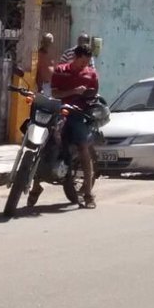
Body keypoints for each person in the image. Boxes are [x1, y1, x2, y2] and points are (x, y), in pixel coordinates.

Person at [30, 44, 100, 209]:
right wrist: (74, 91)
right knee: (42, 144)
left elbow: (93, 95)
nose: (85, 65)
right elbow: (54, 93)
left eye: (88, 62)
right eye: (83, 61)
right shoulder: (61, 70)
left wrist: (88, 97)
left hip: (77, 114)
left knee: (83, 147)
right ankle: (35, 186)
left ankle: (89, 194)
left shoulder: (91, 74)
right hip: (58, 112)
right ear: (75, 57)